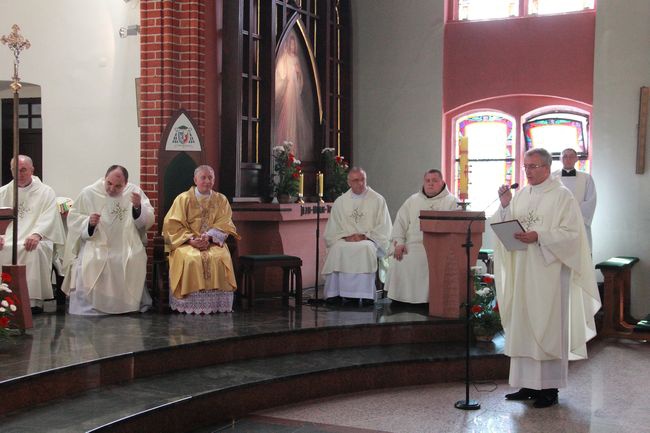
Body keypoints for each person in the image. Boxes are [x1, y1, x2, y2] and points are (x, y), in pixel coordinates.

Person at [491, 148, 601, 408]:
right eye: (526, 166)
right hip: (523, 268)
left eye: (533, 166)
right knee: (524, 325)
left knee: (548, 325)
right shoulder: (522, 195)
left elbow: (573, 234)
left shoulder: (562, 196)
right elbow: (506, 224)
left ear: (546, 167)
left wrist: (540, 236)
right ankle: (527, 384)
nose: (527, 171)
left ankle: (549, 388)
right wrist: (505, 206)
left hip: (549, 272)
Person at [62, 165, 154, 315]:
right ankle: (90, 308)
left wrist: (138, 207)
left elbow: (147, 220)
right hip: (96, 243)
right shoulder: (89, 193)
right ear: (105, 178)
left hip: (126, 243)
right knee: (94, 260)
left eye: (118, 186)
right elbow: (74, 220)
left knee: (133, 258)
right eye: (109, 183)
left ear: (126, 183)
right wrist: (89, 223)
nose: (112, 189)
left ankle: (127, 305)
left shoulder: (134, 193)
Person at [162, 165, 240, 314]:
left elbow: (225, 222)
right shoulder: (183, 199)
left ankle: (217, 304)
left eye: (210, 177)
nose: (207, 181)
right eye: (203, 177)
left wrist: (209, 236)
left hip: (213, 241)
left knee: (220, 256)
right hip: (185, 242)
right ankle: (188, 303)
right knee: (191, 258)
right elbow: (171, 225)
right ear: (195, 180)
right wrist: (191, 240)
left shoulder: (221, 200)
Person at [0, 155, 66, 311]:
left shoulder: (45, 192)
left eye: (23, 170)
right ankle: (3, 299)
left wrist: (37, 234)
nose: (20, 174)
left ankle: (32, 301)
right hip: (7, 237)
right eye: (15, 170)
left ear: (32, 170)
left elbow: (49, 217)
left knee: (33, 250)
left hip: (37, 237)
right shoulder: (3, 192)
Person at [385, 169, 459, 304]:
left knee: (427, 259)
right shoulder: (412, 200)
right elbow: (400, 223)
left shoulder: (452, 202)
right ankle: (401, 299)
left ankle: (429, 301)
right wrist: (400, 242)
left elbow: (457, 229)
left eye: (435, 181)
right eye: (427, 181)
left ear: (442, 182)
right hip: (412, 244)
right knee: (401, 258)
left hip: (439, 246)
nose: (430, 184)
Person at [321, 167, 392, 304]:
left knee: (365, 248)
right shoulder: (341, 202)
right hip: (346, 239)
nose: (360, 183)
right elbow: (332, 229)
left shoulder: (377, 199)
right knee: (337, 248)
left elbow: (384, 227)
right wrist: (346, 237)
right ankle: (334, 293)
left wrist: (366, 237)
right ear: (349, 183)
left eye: (362, 180)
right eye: (356, 180)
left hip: (370, 240)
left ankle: (365, 295)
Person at [552, 148, 597, 250]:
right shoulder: (552, 177)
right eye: (565, 156)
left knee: (580, 255)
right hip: (557, 223)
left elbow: (591, 201)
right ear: (560, 159)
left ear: (576, 159)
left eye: (571, 156)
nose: (568, 159)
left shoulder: (586, 178)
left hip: (579, 223)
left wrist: (573, 215)